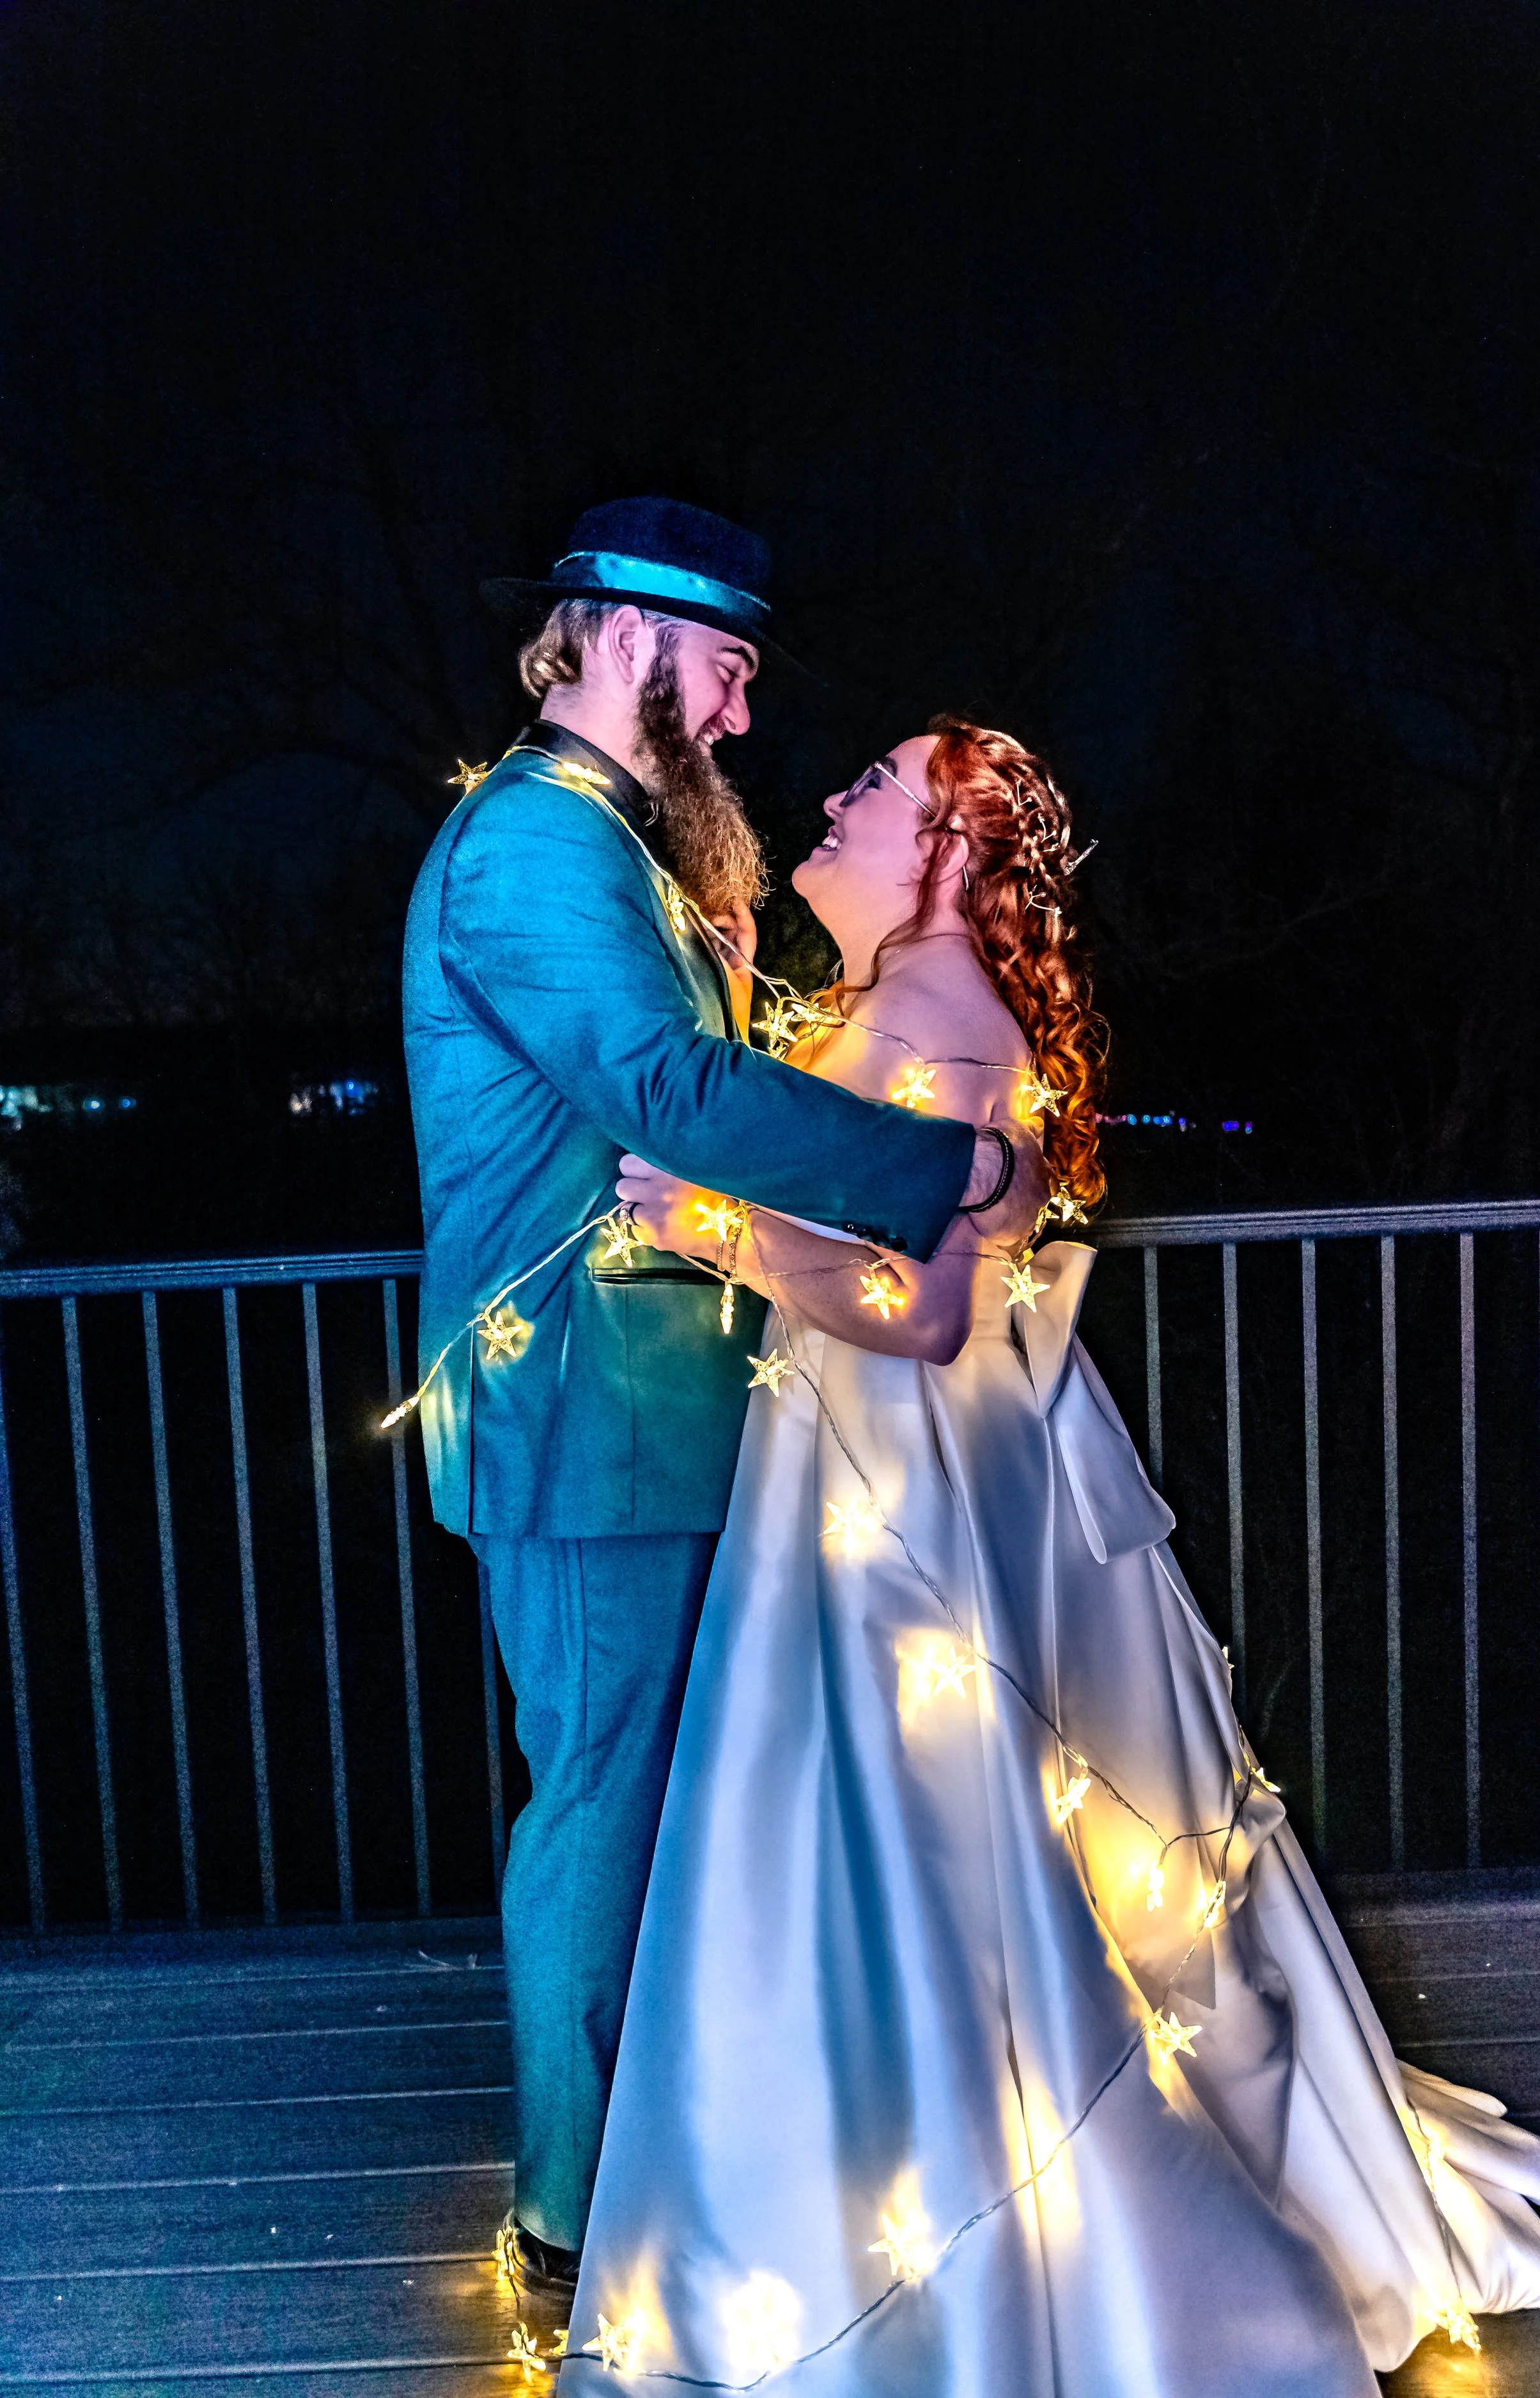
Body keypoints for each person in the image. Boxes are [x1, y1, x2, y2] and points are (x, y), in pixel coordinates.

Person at [571, 719, 1540, 2392]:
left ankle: (935, 2215)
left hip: (897, 1483)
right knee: (916, 1838)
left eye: (875, 789)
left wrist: (710, 1231)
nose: (833, 798)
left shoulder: (929, 1014)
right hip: (908, 1463)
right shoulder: (913, 1001)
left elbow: (925, 1309)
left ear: (948, 849)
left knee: (902, 1842)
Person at [400, 505, 1038, 2298]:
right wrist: (947, 1169)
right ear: (623, 639)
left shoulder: (610, 842)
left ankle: (650, 2175)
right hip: (581, 1416)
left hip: (649, 1408)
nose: (746, 712)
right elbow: (667, 1091)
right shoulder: (535, 841)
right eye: (728, 668)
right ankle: (569, 2221)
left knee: (652, 1799)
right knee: (603, 1798)